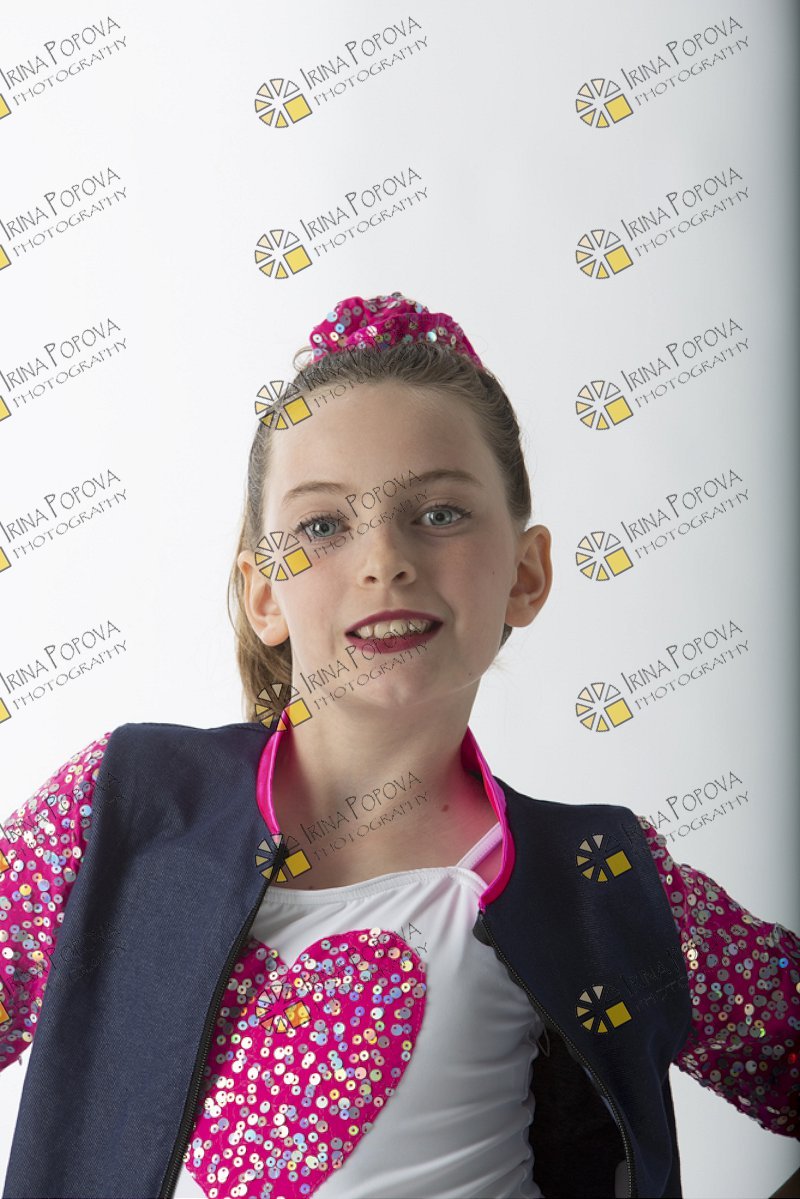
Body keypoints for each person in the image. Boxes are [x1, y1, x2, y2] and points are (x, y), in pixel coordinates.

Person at [0, 292, 797, 1199]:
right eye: (323, 525)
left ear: (526, 573)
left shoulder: (599, 879)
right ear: (263, 594)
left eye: (442, 513)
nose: (385, 559)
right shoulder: (121, 807)